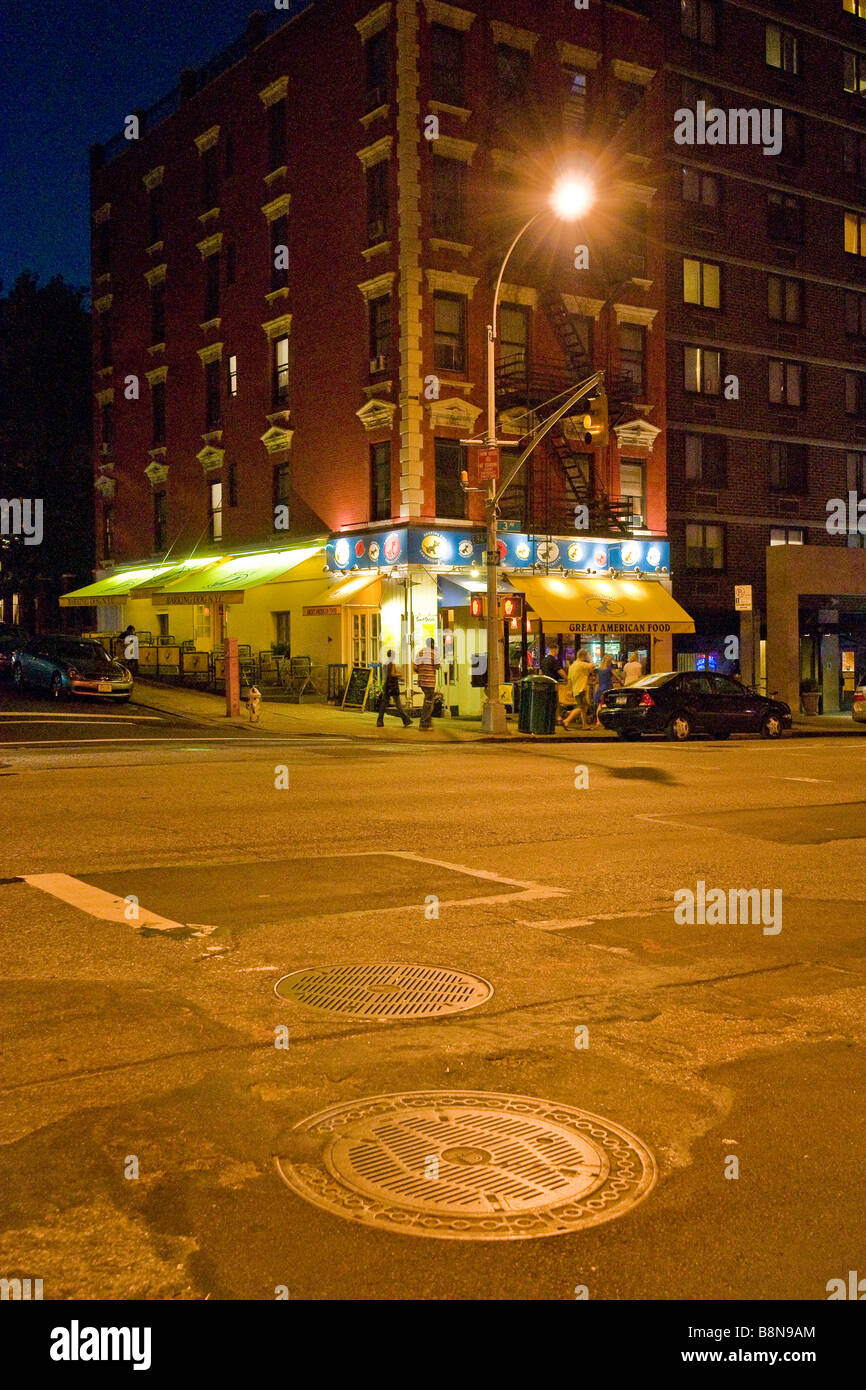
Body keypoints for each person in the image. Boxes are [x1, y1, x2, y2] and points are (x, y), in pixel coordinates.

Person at [376, 649, 411, 727]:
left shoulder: (385, 664)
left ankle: (379, 721)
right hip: (393, 686)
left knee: (383, 704)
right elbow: (392, 674)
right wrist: (399, 675)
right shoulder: (392, 663)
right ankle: (406, 720)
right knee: (398, 704)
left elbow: (386, 675)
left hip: (387, 686)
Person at [562, 648, 596, 729]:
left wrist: (569, 690)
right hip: (581, 689)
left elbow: (569, 680)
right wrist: (590, 657)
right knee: (581, 707)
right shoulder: (581, 664)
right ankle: (567, 720)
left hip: (575, 689)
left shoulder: (572, 666)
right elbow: (593, 665)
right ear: (583, 656)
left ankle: (585, 725)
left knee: (584, 707)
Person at [414, 636, 441, 729]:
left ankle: (428, 722)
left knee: (428, 701)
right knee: (428, 702)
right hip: (429, 681)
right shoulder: (434, 653)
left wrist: (421, 672)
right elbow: (437, 666)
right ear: (433, 644)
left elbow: (415, 667)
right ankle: (424, 723)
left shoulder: (420, 652)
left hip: (421, 681)